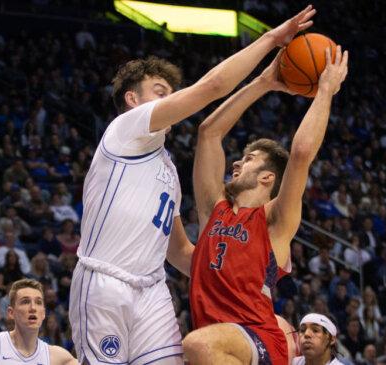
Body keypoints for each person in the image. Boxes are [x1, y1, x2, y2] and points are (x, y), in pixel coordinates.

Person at [69, 6, 317, 365]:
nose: (168, 98)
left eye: (171, 91)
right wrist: (268, 42)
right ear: (132, 100)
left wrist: (253, 293)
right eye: (159, 91)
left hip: (151, 290)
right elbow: (212, 88)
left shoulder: (169, 172)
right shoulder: (124, 131)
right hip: (105, 280)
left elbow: (184, 253)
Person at [183, 40, 348, 364]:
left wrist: (325, 90)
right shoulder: (212, 209)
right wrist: (264, 82)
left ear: (267, 178)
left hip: (257, 337)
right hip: (219, 346)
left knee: (197, 345)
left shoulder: (274, 220)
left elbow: (300, 155)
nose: (236, 164)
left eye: (248, 159)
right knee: (197, 347)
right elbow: (209, 132)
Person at [0, 278, 76, 364]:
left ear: (43, 313)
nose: (33, 308)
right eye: (25, 301)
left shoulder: (57, 357)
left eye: (38, 302)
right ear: (11, 313)